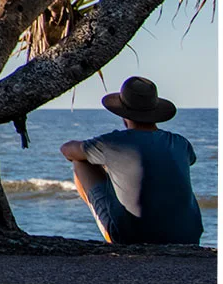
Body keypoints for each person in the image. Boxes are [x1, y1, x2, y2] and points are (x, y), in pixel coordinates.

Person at [60, 76, 202, 246]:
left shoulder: (114, 142)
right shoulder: (180, 142)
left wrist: (103, 160)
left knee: (80, 161)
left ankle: (112, 237)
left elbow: (67, 150)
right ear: (155, 112)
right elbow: (183, 160)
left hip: (133, 238)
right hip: (189, 238)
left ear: (123, 114)